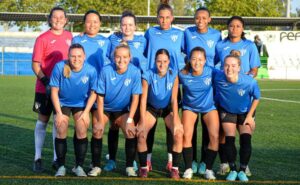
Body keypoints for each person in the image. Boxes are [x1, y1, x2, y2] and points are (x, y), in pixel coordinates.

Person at [215, 16, 260, 176]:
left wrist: (243, 81)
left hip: (243, 95)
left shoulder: (250, 45)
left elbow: (255, 69)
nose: (234, 28)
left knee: (245, 135)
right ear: (227, 27)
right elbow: (214, 67)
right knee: (224, 134)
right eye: (231, 26)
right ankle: (224, 163)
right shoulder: (220, 45)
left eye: (238, 26)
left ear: (243, 29)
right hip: (225, 95)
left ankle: (243, 165)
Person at [104, 11, 147, 172]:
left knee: (133, 125)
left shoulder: (143, 40)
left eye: (130, 24)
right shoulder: (113, 39)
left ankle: (133, 160)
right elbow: (107, 56)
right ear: (120, 26)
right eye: (124, 24)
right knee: (113, 126)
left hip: (136, 87)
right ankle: (112, 159)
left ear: (135, 26)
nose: (127, 27)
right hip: (117, 87)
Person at [144, 2, 185, 171]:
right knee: (149, 126)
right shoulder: (150, 33)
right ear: (157, 18)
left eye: (167, 17)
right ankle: (147, 159)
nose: (164, 20)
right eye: (161, 17)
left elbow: (191, 52)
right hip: (153, 83)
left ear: (172, 18)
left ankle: (170, 161)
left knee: (172, 126)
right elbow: (141, 48)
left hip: (172, 84)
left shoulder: (180, 35)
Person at [31, 6, 72, 172]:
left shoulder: (70, 37)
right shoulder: (42, 38)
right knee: (42, 121)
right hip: (44, 88)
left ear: (66, 20)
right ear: (49, 19)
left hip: (63, 89)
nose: (58, 20)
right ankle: (37, 157)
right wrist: (46, 81)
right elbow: (35, 64)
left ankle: (57, 158)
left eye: (61, 17)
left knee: (59, 122)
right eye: (55, 17)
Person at [92, 44, 142, 177]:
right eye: (118, 57)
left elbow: (136, 99)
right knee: (98, 129)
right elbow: (100, 97)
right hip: (105, 108)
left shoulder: (135, 72)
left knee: (130, 130)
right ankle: (97, 166)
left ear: (130, 57)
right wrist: (101, 120)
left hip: (122, 109)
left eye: (125, 57)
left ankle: (129, 167)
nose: (121, 60)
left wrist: (130, 119)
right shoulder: (105, 70)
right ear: (113, 58)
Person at [72, 10, 111, 176]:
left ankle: (96, 164)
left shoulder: (107, 41)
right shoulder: (77, 39)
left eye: (96, 21)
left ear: (100, 24)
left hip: (99, 91)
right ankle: (78, 164)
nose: (92, 25)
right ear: (83, 23)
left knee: (97, 128)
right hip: (81, 91)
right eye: (89, 21)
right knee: (81, 126)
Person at [183, 7, 222, 174]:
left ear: (209, 19)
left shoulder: (216, 35)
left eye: (204, 18)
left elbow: (220, 59)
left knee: (210, 129)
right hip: (192, 81)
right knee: (190, 128)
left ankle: (206, 164)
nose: (200, 21)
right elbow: (183, 53)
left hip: (208, 82)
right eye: (197, 18)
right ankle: (191, 162)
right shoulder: (187, 33)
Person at [50, 43, 98, 177]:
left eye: (79, 56)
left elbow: (94, 93)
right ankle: (61, 166)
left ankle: (79, 167)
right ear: (68, 56)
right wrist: (59, 113)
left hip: (81, 104)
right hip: (62, 103)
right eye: (73, 56)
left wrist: (87, 112)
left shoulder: (91, 70)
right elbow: (54, 91)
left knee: (82, 128)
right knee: (61, 127)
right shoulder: (59, 67)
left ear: (84, 57)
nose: (76, 59)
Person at [136, 49, 183, 179]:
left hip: (168, 108)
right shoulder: (147, 74)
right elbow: (143, 99)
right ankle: (144, 167)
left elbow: (174, 99)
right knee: (141, 134)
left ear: (169, 62)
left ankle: (174, 168)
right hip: (152, 108)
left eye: (165, 61)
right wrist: (141, 121)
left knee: (178, 133)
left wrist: (177, 120)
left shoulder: (174, 74)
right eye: (159, 61)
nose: (161, 64)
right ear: (154, 61)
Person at [179, 47, 219, 180]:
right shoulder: (183, 74)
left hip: (208, 107)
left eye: (200, 59)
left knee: (214, 136)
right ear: (189, 60)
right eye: (194, 59)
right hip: (190, 107)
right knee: (186, 136)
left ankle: (208, 169)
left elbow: (227, 77)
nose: (197, 62)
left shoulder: (211, 72)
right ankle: (188, 168)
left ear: (205, 60)